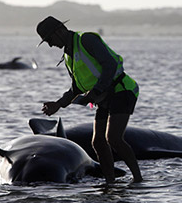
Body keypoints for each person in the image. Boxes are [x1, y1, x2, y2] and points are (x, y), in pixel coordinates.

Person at [37, 16, 142, 184]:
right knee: (98, 141)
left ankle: (138, 180)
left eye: (49, 39)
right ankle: (110, 182)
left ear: (60, 31)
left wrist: (96, 91)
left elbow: (110, 65)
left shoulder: (86, 39)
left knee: (113, 138)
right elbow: (76, 88)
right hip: (104, 98)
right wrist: (58, 104)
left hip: (122, 90)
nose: (50, 44)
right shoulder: (68, 56)